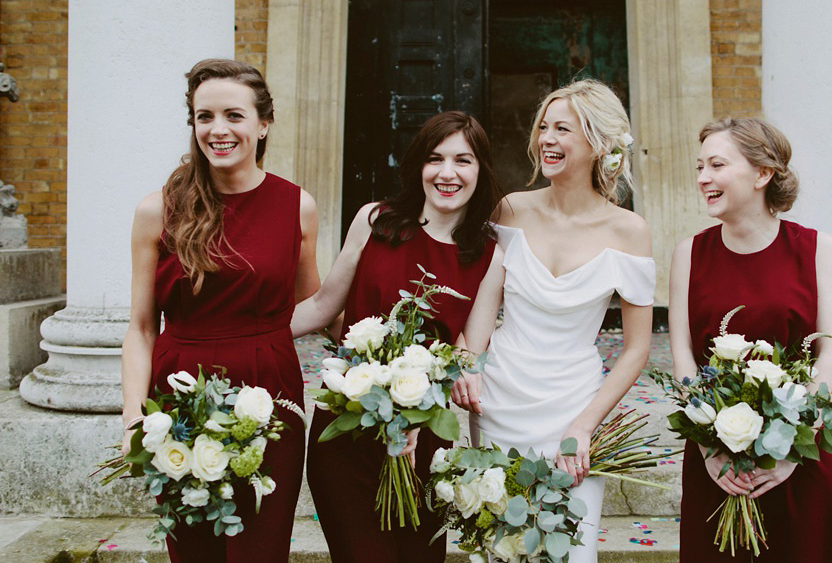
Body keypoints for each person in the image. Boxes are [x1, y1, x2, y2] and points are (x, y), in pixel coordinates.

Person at [120, 59, 321, 562]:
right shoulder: (157, 209)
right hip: (180, 397)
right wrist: (132, 421)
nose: (217, 129)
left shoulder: (297, 206)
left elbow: (314, 306)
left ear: (263, 123)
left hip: (270, 395)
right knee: (194, 546)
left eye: (234, 115)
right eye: (203, 116)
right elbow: (141, 329)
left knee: (260, 546)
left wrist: (387, 360)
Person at [291, 111, 505, 562]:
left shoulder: (488, 255)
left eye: (463, 161)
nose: (447, 173)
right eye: (435, 159)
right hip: (346, 428)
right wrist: (231, 334)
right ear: (418, 167)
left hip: (422, 443)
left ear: (480, 170)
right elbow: (324, 307)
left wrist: (419, 409)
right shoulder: (375, 221)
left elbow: (468, 354)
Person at [465, 79, 655, 563]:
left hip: (572, 406)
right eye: (543, 127)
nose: (546, 139)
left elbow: (636, 349)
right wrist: (468, 363)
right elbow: (485, 301)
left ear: (598, 144)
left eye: (563, 129)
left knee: (572, 549)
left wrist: (586, 425)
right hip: (500, 400)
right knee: (499, 548)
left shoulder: (628, 231)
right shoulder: (511, 208)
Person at [669, 117, 832, 562]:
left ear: (763, 174)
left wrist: (787, 451)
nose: (702, 178)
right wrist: (711, 448)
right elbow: (684, 359)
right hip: (717, 467)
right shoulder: (689, 253)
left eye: (716, 165)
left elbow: (829, 355)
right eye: (699, 167)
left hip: (800, 464)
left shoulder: (820, 249)